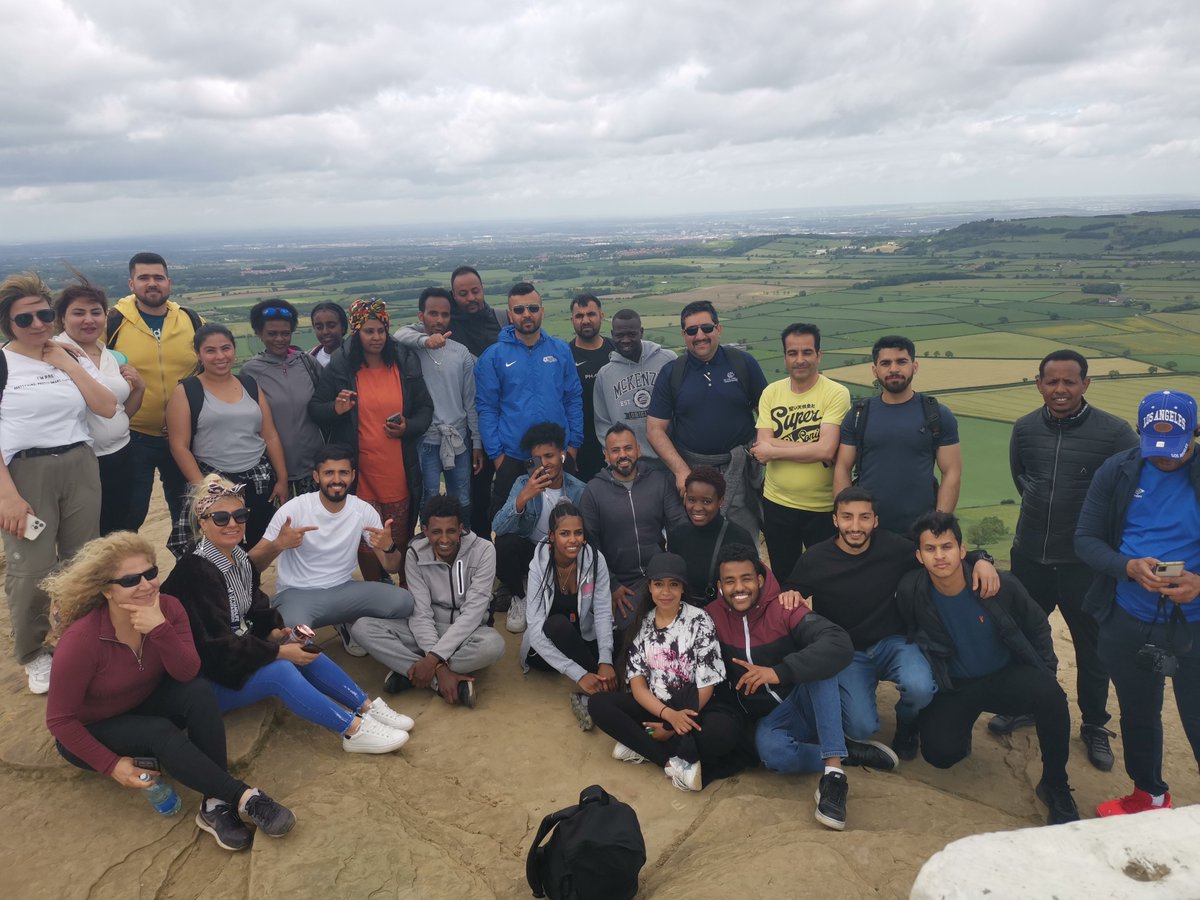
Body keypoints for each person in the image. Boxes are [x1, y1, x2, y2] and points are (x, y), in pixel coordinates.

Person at [43, 531, 296, 852]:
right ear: (106, 590)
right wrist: (112, 765)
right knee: (158, 731)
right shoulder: (82, 640)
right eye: (131, 579)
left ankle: (215, 802)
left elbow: (186, 671)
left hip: (140, 702)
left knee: (198, 691)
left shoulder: (169, 609)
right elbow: (60, 721)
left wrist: (160, 629)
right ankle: (247, 798)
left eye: (150, 573)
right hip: (91, 730)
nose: (147, 584)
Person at [162, 475, 414, 755]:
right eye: (220, 518)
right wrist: (276, 652)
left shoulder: (240, 558)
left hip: (232, 656)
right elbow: (211, 648)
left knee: (299, 646)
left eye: (239, 515)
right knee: (281, 667)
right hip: (203, 681)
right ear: (203, 523)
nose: (233, 523)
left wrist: (276, 633)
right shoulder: (194, 571)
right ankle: (352, 729)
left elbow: (256, 609)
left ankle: (365, 706)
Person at [995, 349, 1137, 767]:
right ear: (1038, 383)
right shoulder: (1023, 429)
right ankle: (1027, 704)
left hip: (1085, 564)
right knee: (1024, 638)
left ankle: (1094, 725)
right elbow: (1024, 480)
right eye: (1051, 382)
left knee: (1092, 649)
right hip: (1030, 556)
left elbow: (1129, 492)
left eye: (1069, 382)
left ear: (1085, 384)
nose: (1060, 390)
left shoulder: (1115, 433)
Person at [786, 487, 998, 760]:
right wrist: (790, 593)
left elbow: (937, 553)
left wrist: (982, 559)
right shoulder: (815, 558)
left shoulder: (895, 548)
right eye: (847, 517)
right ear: (835, 520)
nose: (855, 526)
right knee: (861, 728)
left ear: (875, 521)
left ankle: (907, 723)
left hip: (894, 642)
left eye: (864, 518)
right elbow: (791, 590)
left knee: (920, 688)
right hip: (847, 652)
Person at [897, 511, 1079, 825]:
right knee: (941, 755)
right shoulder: (913, 591)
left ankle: (1055, 784)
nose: (940, 556)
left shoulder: (998, 584)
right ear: (919, 555)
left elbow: (1037, 624)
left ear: (961, 550)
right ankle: (947, 726)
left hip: (1003, 676)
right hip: (955, 686)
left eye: (947, 546)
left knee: (1050, 695)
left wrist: (1045, 669)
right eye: (930, 549)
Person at [708, 545, 897, 831]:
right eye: (729, 581)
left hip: (803, 698)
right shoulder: (710, 618)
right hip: (773, 720)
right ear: (720, 586)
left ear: (760, 579)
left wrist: (777, 672)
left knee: (820, 664)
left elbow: (836, 642)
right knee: (773, 755)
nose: (739, 588)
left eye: (746, 578)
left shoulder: (784, 606)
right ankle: (847, 751)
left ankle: (834, 774)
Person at [1075, 389, 1200, 817]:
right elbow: (1086, 540)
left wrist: (1199, 584)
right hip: (1128, 616)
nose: (1164, 458)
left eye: (1176, 448)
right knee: (1137, 712)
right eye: (1155, 447)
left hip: (1195, 621)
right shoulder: (1120, 470)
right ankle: (1149, 794)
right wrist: (1128, 567)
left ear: (1195, 433)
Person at [0, 272, 117, 693]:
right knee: (31, 569)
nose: (37, 325)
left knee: (81, 560)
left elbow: (105, 406)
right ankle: (34, 654)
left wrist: (67, 362)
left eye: (44, 314)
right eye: (24, 320)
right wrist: (7, 496)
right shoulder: (3, 363)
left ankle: (79, 641)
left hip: (80, 463)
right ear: (7, 324)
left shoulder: (70, 353)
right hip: (25, 473)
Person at [589, 553, 739, 792]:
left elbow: (706, 685)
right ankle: (669, 762)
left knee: (723, 734)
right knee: (598, 705)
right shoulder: (643, 624)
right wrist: (668, 716)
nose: (665, 592)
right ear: (649, 587)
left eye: (673, 584)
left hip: (692, 706)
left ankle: (642, 744)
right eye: (659, 584)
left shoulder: (699, 620)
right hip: (657, 706)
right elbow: (638, 685)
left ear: (682, 588)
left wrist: (672, 726)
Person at [308, 297, 432, 584]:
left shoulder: (403, 360)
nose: (376, 337)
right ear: (356, 331)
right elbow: (316, 408)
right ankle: (376, 588)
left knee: (399, 534)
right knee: (365, 539)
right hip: (361, 471)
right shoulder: (341, 364)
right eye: (368, 331)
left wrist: (408, 427)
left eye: (381, 330)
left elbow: (425, 409)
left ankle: (405, 587)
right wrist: (335, 409)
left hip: (398, 469)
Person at [249, 445, 416, 659]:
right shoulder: (294, 509)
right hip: (298, 593)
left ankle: (352, 625)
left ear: (353, 475)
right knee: (290, 637)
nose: (336, 480)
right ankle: (344, 622)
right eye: (329, 473)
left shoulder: (363, 510)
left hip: (344, 589)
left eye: (343, 473)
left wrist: (389, 547)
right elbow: (251, 564)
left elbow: (391, 567)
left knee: (404, 602)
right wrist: (278, 545)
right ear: (316, 477)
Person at [354, 495, 505, 707]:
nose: (444, 539)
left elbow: (473, 613)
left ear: (461, 528)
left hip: (469, 632)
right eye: (436, 532)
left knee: (493, 645)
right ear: (425, 531)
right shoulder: (415, 553)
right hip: (427, 629)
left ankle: (410, 672)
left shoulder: (484, 550)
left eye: (451, 531)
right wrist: (439, 667)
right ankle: (439, 679)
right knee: (362, 628)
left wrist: (433, 659)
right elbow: (420, 613)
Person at [646, 300, 768, 538]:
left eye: (706, 328)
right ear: (684, 335)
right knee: (698, 540)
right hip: (693, 471)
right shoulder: (673, 373)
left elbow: (767, 413)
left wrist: (759, 449)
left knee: (742, 536)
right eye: (692, 330)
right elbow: (654, 429)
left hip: (739, 468)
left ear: (718, 329)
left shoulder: (743, 363)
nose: (700, 335)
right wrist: (681, 472)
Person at [165, 324, 288, 556]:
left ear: (234, 349)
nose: (220, 356)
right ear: (198, 354)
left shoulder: (250, 385)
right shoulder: (187, 391)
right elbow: (179, 446)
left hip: (258, 480)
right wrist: (205, 489)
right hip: (214, 480)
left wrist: (281, 478)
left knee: (256, 545)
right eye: (210, 350)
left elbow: (269, 434)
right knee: (216, 547)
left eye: (226, 348)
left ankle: (250, 589)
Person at [107, 252, 204, 531]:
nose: (152, 283)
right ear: (131, 284)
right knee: (130, 513)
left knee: (187, 515)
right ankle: (129, 573)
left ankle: (189, 573)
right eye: (144, 278)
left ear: (169, 283)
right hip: (133, 435)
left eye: (158, 278)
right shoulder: (112, 322)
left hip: (183, 436)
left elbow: (216, 357)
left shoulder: (190, 320)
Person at [475, 282, 583, 520]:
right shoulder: (493, 356)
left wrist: (573, 446)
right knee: (510, 527)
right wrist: (498, 458)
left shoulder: (560, 350)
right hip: (513, 456)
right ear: (510, 313)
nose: (527, 314)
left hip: (558, 453)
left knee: (566, 523)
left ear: (542, 310)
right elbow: (487, 408)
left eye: (533, 308)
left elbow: (573, 398)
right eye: (519, 309)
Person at [834, 335, 961, 535]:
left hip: (921, 531)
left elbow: (952, 472)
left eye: (901, 361)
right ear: (875, 370)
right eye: (885, 363)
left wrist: (939, 523)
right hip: (869, 531)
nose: (894, 369)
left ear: (915, 366)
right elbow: (842, 468)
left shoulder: (937, 414)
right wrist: (849, 520)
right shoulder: (859, 414)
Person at [752, 323, 850, 582]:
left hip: (823, 507)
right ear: (784, 357)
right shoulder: (771, 392)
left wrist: (776, 447)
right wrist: (815, 449)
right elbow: (762, 447)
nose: (800, 360)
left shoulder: (836, 393)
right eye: (792, 353)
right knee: (786, 583)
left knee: (828, 582)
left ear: (819, 355)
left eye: (807, 352)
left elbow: (827, 449)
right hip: (777, 505)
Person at [52, 272, 146, 534]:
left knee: (118, 527)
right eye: (78, 313)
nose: (88, 320)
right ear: (62, 318)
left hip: (121, 454)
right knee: (83, 534)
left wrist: (139, 388)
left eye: (96, 312)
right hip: (81, 463)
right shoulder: (52, 354)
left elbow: (118, 413)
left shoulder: (111, 356)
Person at [579, 424, 687, 631]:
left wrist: (673, 572)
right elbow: (589, 545)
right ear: (606, 456)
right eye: (615, 450)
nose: (623, 455)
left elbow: (680, 526)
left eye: (628, 448)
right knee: (629, 629)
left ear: (638, 449)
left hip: (658, 576)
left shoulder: (658, 481)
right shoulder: (593, 491)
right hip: (621, 584)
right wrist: (611, 585)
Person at [520, 501, 616, 728]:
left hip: (581, 639)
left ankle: (597, 690)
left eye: (578, 533)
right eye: (565, 533)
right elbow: (535, 630)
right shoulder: (538, 567)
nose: (573, 540)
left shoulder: (594, 559)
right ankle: (604, 692)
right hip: (545, 652)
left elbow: (602, 611)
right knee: (557, 625)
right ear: (552, 536)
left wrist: (605, 659)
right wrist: (580, 674)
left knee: (618, 639)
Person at [393, 287, 483, 521]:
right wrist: (425, 340)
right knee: (429, 498)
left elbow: (470, 401)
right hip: (426, 439)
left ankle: (463, 543)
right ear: (421, 316)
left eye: (445, 315)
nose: (440, 320)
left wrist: (476, 443)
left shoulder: (461, 353)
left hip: (459, 438)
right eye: (433, 314)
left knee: (462, 498)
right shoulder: (411, 347)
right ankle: (428, 548)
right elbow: (398, 334)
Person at [491, 423, 586, 633]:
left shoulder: (578, 490)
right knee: (504, 544)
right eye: (537, 458)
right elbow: (497, 526)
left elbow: (587, 535)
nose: (544, 463)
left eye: (549, 455)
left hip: (562, 556)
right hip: (531, 552)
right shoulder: (523, 483)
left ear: (562, 454)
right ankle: (520, 595)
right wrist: (524, 496)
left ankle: (555, 593)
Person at [241, 300, 325, 498]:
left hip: (313, 466)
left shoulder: (307, 363)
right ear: (258, 333)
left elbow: (325, 404)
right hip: (272, 469)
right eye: (271, 334)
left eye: (285, 333)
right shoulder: (250, 372)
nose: (279, 339)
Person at [448, 266, 505, 537]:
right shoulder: (446, 326)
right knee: (475, 495)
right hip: (468, 427)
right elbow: (405, 335)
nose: (471, 298)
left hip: (505, 422)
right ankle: (481, 552)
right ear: (453, 296)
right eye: (463, 293)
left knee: (508, 491)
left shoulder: (500, 320)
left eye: (475, 291)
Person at [592, 309, 676, 471]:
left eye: (632, 334)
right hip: (629, 465)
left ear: (641, 332)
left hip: (669, 459)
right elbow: (603, 423)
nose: (625, 340)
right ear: (612, 334)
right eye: (620, 335)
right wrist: (614, 458)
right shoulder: (605, 375)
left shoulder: (668, 360)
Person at [666, 466, 755, 606]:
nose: (697, 508)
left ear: (721, 501)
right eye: (691, 500)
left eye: (706, 501)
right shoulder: (677, 534)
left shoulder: (739, 537)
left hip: (724, 615)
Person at [567, 294, 615, 481]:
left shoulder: (617, 350)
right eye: (579, 316)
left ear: (601, 316)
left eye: (591, 314)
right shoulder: (566, 356)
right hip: (581, 444)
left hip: (615, 443)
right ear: (572, 320)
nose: (585, 320)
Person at [308, 301, 347, 368]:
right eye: (319, 327)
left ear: (343, 327)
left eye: (331, 326)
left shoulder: (358, 357)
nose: (325, 332)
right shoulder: (308, 360)